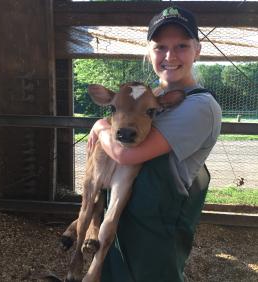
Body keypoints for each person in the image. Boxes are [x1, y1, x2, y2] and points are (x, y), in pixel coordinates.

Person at [88, 6, 222, 282]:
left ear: (197, 50)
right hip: (124, 215)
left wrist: (100, 127)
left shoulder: (199, 106)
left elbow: (129, 154)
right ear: (149, 52)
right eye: (160, 47)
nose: (170, 56)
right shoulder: (152, 96)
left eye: (181, 46)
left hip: (156, 230)